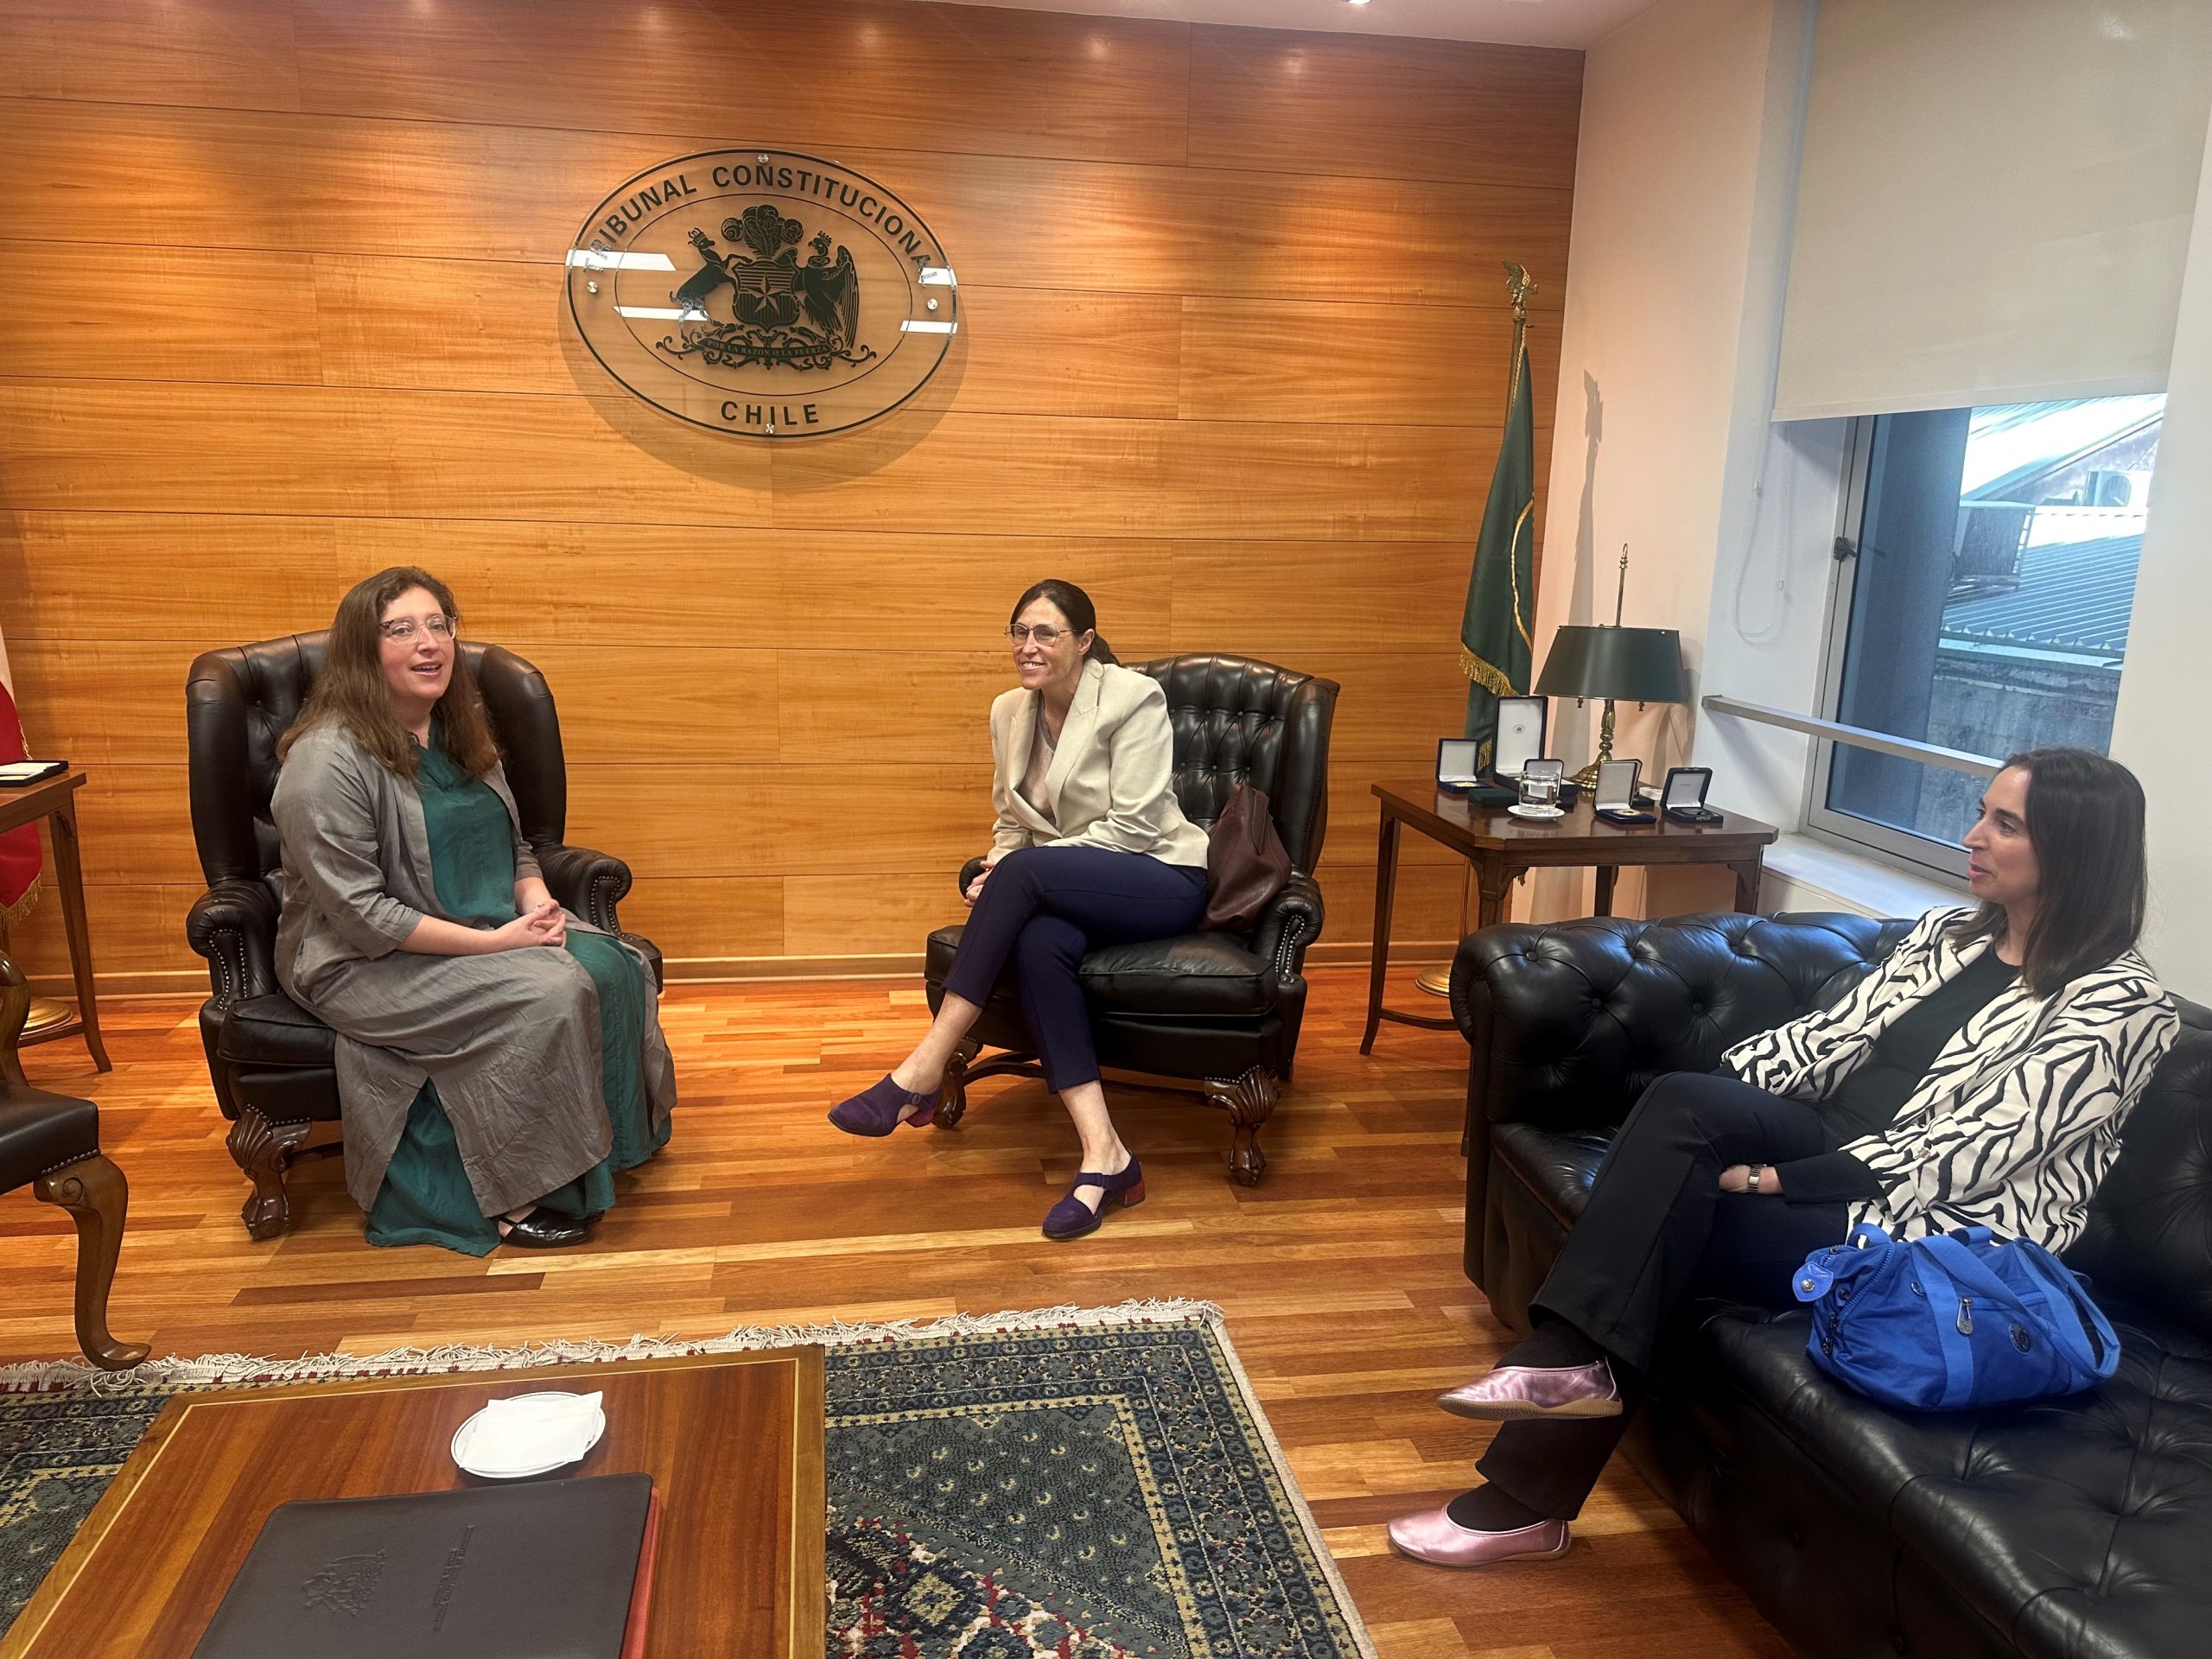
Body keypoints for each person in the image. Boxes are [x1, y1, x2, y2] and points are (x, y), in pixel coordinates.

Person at [1390, 747, 2178, 1567]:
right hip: (1833, 1138)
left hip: (1930, 1221)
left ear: (2075, 850)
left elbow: (1972, 1149)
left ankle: (1527, 1483)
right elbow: (1827, 1038)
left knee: (1666, 1230)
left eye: (2004, 825)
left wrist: (1778, 1181)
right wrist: (1711, 1104)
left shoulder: (2121, 1004)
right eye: (1981, 812)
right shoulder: (1951, 938)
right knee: (1682, 1107)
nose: (1972, 836)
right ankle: (1567, 1381)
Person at [269, 567, 677, 1254]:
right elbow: (365, 916)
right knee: (549, 991)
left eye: (439, 625)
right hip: (361, 961)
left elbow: (513, 845)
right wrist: (501, 946)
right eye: (401, 630)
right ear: (363, 649)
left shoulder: (456, 729)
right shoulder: (324, 763)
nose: (428, 644)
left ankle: (599, 1163)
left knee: (614, 964)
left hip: (484, 921)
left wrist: (537, 900)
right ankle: (515, 1196)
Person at [826, 579, 1211, 1240]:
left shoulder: (1132, 698)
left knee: (1026, 873)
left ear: (1084, 641)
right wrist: (997, 869)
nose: (1028, 646)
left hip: (1160, 877)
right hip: (1072, 886)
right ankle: (1107, 1158)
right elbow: (1013, 823)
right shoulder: (1009, 710)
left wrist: (1021, 872)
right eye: (1019, 632)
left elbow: (1136, 828)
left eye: (1046, 633)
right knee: (1039, 944)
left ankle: (922, 1069)